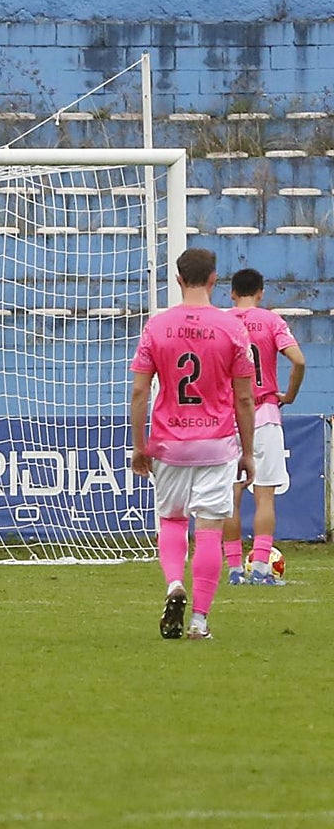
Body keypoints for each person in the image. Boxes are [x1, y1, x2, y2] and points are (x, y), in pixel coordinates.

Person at [129, 247, 256, 641]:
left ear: (179, 279)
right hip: (216, 443)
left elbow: (138, 392)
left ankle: (173, 586)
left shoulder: (157, 326)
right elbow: (245, 397)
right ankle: (199, 622)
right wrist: (248, 453)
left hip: (169, 441)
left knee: (171, 520)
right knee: (209, 530)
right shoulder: (233, 328)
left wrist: (140, 445)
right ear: (215, 280)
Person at [220, 267, 306, 586]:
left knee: (232, 494)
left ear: (231, 293)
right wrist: (290, 395)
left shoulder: (222, 322)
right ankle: (260, 569)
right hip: (266, 413)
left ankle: (233, 570)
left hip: (229, 417)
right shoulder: (271, 321)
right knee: (265, 495)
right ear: (260, 292)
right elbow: (298, 360)